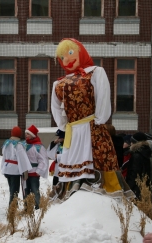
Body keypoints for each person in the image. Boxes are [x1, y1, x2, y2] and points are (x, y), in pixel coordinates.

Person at [51, 38, 127, 197]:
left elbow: (103, 97)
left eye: (71, 53)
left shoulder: (95, 72)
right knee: (74, 163)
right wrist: (64, 125)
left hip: (91, 126)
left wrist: (99, 118)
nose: (67, 59)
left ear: (80, 52)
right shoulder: (59, 83)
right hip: (74, 132)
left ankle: (96, 187)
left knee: (97, 157)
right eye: (63, 57)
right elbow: (55, 106)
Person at [1, 126, 32, 207]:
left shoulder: (6, 143)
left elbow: (3, 156)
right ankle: (12, 208)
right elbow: (22, 159)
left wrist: (3, 169)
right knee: (14, 191)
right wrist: (25, 172)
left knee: (11, 189)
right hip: (14, 171)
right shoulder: (18, 145)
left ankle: (14, 206)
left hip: (7, 169)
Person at [24, 125, 49, 209]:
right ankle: (27, 207)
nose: (26, 135)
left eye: (28, 134)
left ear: (32, 135)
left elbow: (43, 160)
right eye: (26, 134)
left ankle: (38, 206)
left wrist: (38, 171)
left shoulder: (39, 147)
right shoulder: (25, 145)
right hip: (26, 173)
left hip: (34, 173)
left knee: (35, 190)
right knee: (26, 190)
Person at [125, 132, 152, 200]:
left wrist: (128, 189)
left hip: (135, 189)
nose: (130, 144)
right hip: (143, 187)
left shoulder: (136, 156)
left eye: (132, 142)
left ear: (135, 143)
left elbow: (133, 173)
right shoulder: (145, 153)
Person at [46, 129, 65, 201]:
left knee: (62, 182)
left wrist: (59, 156)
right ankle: (54, 193)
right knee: (55, 180)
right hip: (57, 167)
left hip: (64, 167)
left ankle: (61, 195)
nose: (58, 139)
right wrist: (53, 143)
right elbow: (49, 153)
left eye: (60, 137)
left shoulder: (68, 144)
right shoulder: (58, 144)